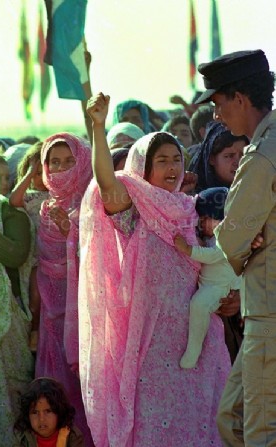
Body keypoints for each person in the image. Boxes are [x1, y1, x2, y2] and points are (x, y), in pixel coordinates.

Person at [77, 92, 231, 447]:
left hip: (198, 341)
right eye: (161, 160)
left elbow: (222, 258)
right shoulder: (136, 213)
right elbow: (107, 184)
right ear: (142, 167)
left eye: (177, 159)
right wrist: (98, 129)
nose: (172, 167)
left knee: (202, 427)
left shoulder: (194, 210)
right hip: (150, 345)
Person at [196, 49, 276, 446]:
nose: (216, 115)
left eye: (217, 103)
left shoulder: (264, 155)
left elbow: (229, 240)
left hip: (275, 310)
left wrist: (242, 242)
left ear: (239, 99)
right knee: (235, 419)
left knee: (266, 435)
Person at [36, 133, 94, 447]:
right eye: (54, 162)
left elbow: (102, 259)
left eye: (69, 161)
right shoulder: (45, 208)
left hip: (83, 316)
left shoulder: (92, 202)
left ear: (83, 161)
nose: (61, 168)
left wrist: (71, 233)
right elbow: (40, 269)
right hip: (50, 316)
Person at [174, 187, 242, 369]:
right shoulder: (213, 236)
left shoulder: (229, 237)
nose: (201, 224)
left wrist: (189, 250)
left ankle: (193, 352)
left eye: (206, 219)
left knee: (199, 304)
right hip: (212, 284)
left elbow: (213, 255)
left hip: (220, 288)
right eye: (200, 220)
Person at [0, 157, 34, 447]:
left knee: (13, 392)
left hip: (9, 321)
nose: (5, 182)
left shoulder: (10, 213)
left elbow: (15, 255)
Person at [9, 142, 49, 352]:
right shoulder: (29, 197)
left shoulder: (56, 195)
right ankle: (34, 331)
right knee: (35, 297)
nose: (40, 178)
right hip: (36, 257)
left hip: (55, 256)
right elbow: (14, 199)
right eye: (36, 173)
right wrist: (29, 173)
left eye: (45, 172)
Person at [13, 377, 84, 447]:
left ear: (59, 411)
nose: (41, 419)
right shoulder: (24, 439)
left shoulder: (72, 436)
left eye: (48, 411)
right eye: (35, 412)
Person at [188, 121, 249, 193]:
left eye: (243, 155)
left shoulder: (255, 191)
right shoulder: (191, 197)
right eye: (229, 156)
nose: (239, 162)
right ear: (211, 159)